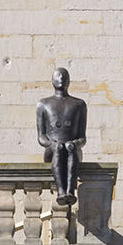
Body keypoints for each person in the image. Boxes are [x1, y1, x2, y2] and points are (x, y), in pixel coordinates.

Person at [36, 66, 86, 205]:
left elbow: (82, 137)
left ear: (69, 81)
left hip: (72, 148)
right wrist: (52, 144)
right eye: (58, 76)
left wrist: (75, 143)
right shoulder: (43, 104)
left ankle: (70, 190)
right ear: (52, 80)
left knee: (70, 148)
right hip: (52, 149)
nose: (61, 79)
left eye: (64, 76)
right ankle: (61, 192)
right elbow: (41, 137)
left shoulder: (79, 104)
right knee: (58, 148)